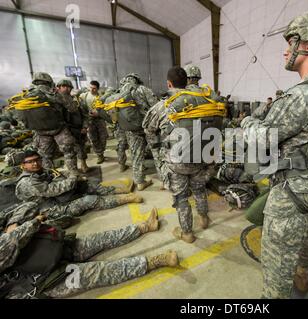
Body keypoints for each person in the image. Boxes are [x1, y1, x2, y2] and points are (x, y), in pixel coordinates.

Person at [240, 9, 308, 298]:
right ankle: (303, 272)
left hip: (290, 192)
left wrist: (248, 122)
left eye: (290, 43)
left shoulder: (304, 96)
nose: (286, 52)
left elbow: (261, 140)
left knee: (275, 268)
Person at [0, 205, 178, 299]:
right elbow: (11, 242)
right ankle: (155, 261)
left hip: (42, 253)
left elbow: (24, 208)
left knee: (99, 239)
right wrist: (31, 224)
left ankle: (145, 227)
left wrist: (12, 224)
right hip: (36, 282)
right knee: (100, 272)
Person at [144, 67, 223, 243]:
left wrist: (158, 148)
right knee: (199, 189)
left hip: (177, 161)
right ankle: (204, 218)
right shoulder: (205, 99)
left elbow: (148, 128)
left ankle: (187, 233)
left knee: (181, 198)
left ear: (169, 83)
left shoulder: (164, 105)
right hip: (201, 158)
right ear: (187, 81)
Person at [15, 150, 144, 225]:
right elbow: (52, 190)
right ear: (23, 165)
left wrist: (72, 177)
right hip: (48, 210)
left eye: (37, 160)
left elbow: (58, 174)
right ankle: (125, 199)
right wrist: (72, 178)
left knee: (85, 185)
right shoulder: (27, 182)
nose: (35, 163)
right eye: (30, 162)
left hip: (59, 199)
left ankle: (118, 190)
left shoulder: (40, 171)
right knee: (88, 200)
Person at [9, 72, 79, 175]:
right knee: (69, 153)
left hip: (41, 132)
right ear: (49, 82)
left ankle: (48, 176)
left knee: (45, 157)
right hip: (59, 129)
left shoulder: (24, 96)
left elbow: (16, 117)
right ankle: (74, 175)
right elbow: (73, 108)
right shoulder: (54, 94)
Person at [56, 79, 90, 174]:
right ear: (58, 87)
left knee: (81, 147)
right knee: (69, 152)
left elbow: (85, 115)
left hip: (78, 129)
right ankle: (73, 172)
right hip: (64, 130)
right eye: (64, 86)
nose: (67, 89)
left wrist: (84, 127)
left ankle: (83, 164)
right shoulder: (55, 101)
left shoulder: (77, 100)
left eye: (69, 87)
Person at [80, 81, 108, 164]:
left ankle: (101, 151)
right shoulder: (84, 96)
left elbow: (107, 109)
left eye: (94, 88)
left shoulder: (102, 97)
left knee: (103, 137)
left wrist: (99, 113)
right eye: (90, 87)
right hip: (89, 121)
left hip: (100, 120)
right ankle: (99, 154)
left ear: (97, 89)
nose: (92, 89)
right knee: (93, 138)